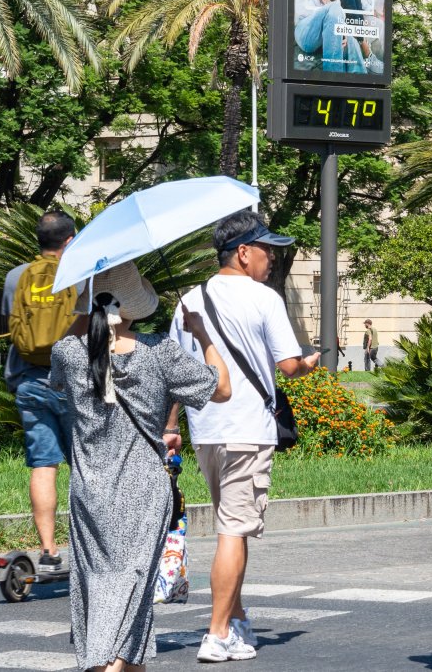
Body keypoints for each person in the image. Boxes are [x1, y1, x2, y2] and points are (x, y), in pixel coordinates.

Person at [50, 261, 231, 672]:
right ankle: (107, 665)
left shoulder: (67, 353)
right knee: (132, 585)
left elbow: (59, 376)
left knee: (98, 584)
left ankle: (114, 661)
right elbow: (221, 387)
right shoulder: (159, 353)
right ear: (132, 304)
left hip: (89, 491)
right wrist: (201, 334)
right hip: (143, 491)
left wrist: (89, 318)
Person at [167, 210, 321, 663]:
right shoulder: (264, 299)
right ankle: (217, 634)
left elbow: (175, 373)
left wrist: (171, 426)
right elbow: (288, 365)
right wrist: (309, 361)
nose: (271, 257)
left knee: (231, 529)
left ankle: (235, 619)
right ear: (243, 252)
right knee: (234, 531)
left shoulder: (188, 301)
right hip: (248, 430)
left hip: (207, 430)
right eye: (266, 249)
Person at [3, 210, 77, 572]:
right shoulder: (80, 275)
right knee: (86, 465)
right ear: (69, 239)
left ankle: (48, 552)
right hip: (73, 382)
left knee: (44, 465)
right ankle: (88, 544)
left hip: (30, 381)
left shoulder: (17, 277)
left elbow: (13, 326)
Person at [294, 0, 367, 73]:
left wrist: (342, 34)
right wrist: (323, 2)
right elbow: (301, 12)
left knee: (349, 36)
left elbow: (335, 18)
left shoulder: (335, 1)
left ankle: (360, 77)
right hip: (304, 30)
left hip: (320, 35)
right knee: (335, 8)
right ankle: (334, 76)